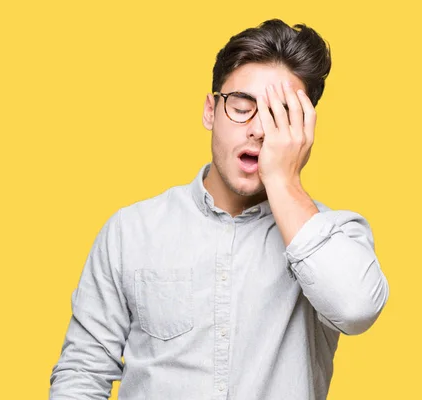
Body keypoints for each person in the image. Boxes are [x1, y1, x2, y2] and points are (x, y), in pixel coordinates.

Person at [48, 19, 389, 400]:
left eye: (280, 117)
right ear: (211, 111)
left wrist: (284, 180)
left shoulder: (334, 237)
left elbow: (357, 308)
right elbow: (81, 373)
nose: (259, 129)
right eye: (243, 106)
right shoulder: (131, 231)